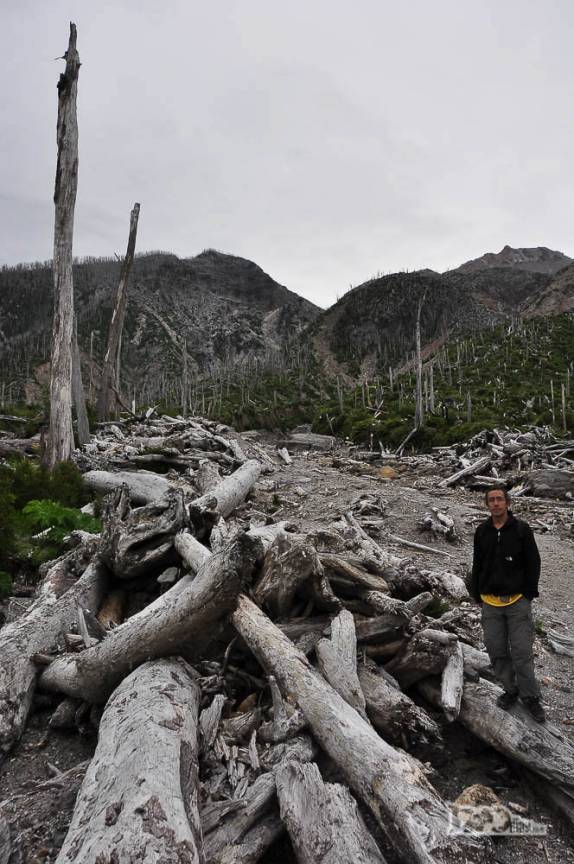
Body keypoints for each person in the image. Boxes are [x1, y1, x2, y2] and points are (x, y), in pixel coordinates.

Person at [470, 485, 545, 723]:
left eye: (499, 499)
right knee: (496, 649)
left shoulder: (522, 530)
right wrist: (477, 594)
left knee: (522, 652)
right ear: (487, 504)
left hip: (517, 602)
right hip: (490, 602)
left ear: (508, 503)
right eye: (491, 500)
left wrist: (528, 594)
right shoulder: (482, 531)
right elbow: (478, 563)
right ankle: (510, 690)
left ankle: (531, 697)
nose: (495, 503)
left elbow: (534, 562)